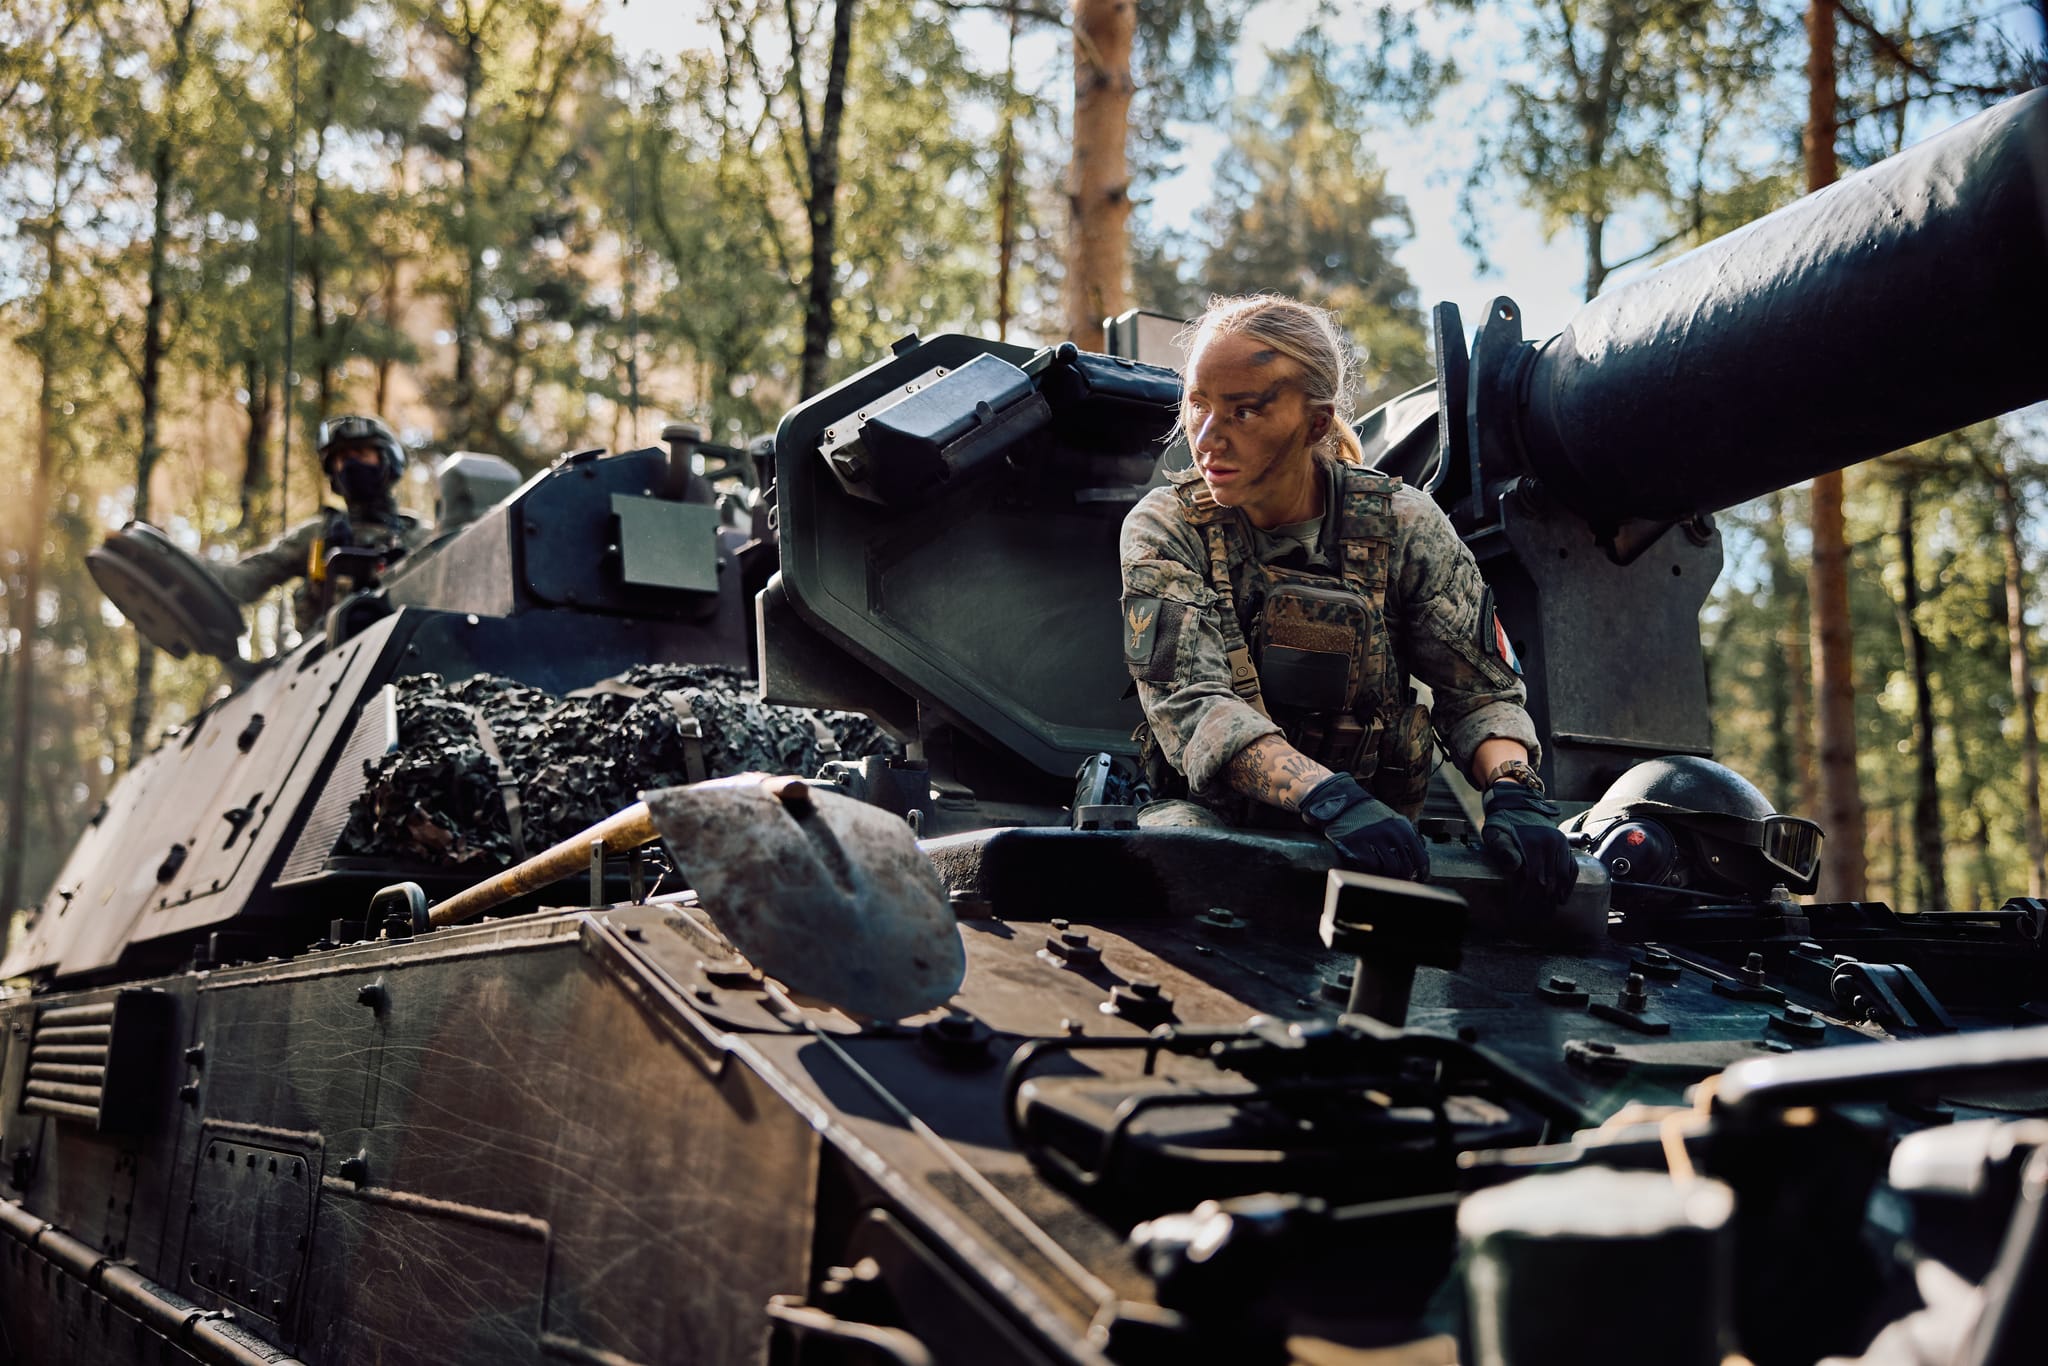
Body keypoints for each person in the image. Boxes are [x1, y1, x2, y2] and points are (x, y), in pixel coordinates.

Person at [1119, 294, 1576, 908]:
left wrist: (1514, 791)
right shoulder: (1168, 526)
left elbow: (1481, 690)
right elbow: (1193, 704)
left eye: (1244, 411)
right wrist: (1328, 797)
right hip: (1216, 828)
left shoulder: (1403, 523)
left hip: (1378, 843)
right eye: (1198, 403)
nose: (1206, 438)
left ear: (1314, 422)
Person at [217, 415, 430, 634]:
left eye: (361, 453)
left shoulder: (422, 538)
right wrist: (186, 566)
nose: (351, 464)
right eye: (343, 458)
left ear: (388, 459)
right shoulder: (317, 536)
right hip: (331, 661)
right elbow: (243, 581)